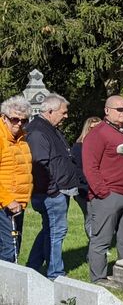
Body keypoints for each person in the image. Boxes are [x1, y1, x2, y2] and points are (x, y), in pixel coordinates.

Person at [82, 96, 123, 282]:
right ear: (107, 111)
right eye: (120, 109)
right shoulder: (98, 134)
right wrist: (103, 193)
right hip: (109, 195)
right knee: (101, 240)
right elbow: (90, 167)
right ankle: (98, 280)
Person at [26, 94, 83, 280]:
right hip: (50, 194)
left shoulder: (49, 128)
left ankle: (32, 268)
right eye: (63, 112)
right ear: (50, 111)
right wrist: (53, 190)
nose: (66, 116)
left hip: (56, 190)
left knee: (49, 231)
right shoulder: (38, 132)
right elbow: (39, 165)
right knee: (55, 232)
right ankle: (55, 274)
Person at [0, 96, 34, 264]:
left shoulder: (22, 138)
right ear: (4, 117)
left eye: (23, 120)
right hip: (6, 204)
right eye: (15, 119)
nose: (19, 123)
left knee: (11, 246)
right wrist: (8, 200)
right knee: (10, 249)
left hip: (17, 203)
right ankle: (8, 289)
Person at [71, 116, 101, 232]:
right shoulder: (78, 147)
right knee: (90, 217)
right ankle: (95, 246)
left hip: (100, 188)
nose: (95, 131)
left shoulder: (101, 147)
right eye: (92, 128)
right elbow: (78, 170)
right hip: (84, 189)